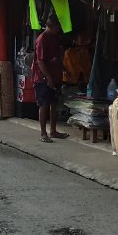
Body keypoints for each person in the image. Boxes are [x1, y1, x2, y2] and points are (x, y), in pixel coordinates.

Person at [31, 13, 67, 143]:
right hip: (42, 78)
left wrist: (63, 68)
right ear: (52, 26)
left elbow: (57, 56)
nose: (59, 29)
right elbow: (40, 61)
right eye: (58, 27)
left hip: (55, 75)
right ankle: (43, 133)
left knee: (54, 104)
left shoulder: (54, 38)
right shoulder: (42, 39)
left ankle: (53, 130)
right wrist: (49, 78)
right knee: (44, 104)